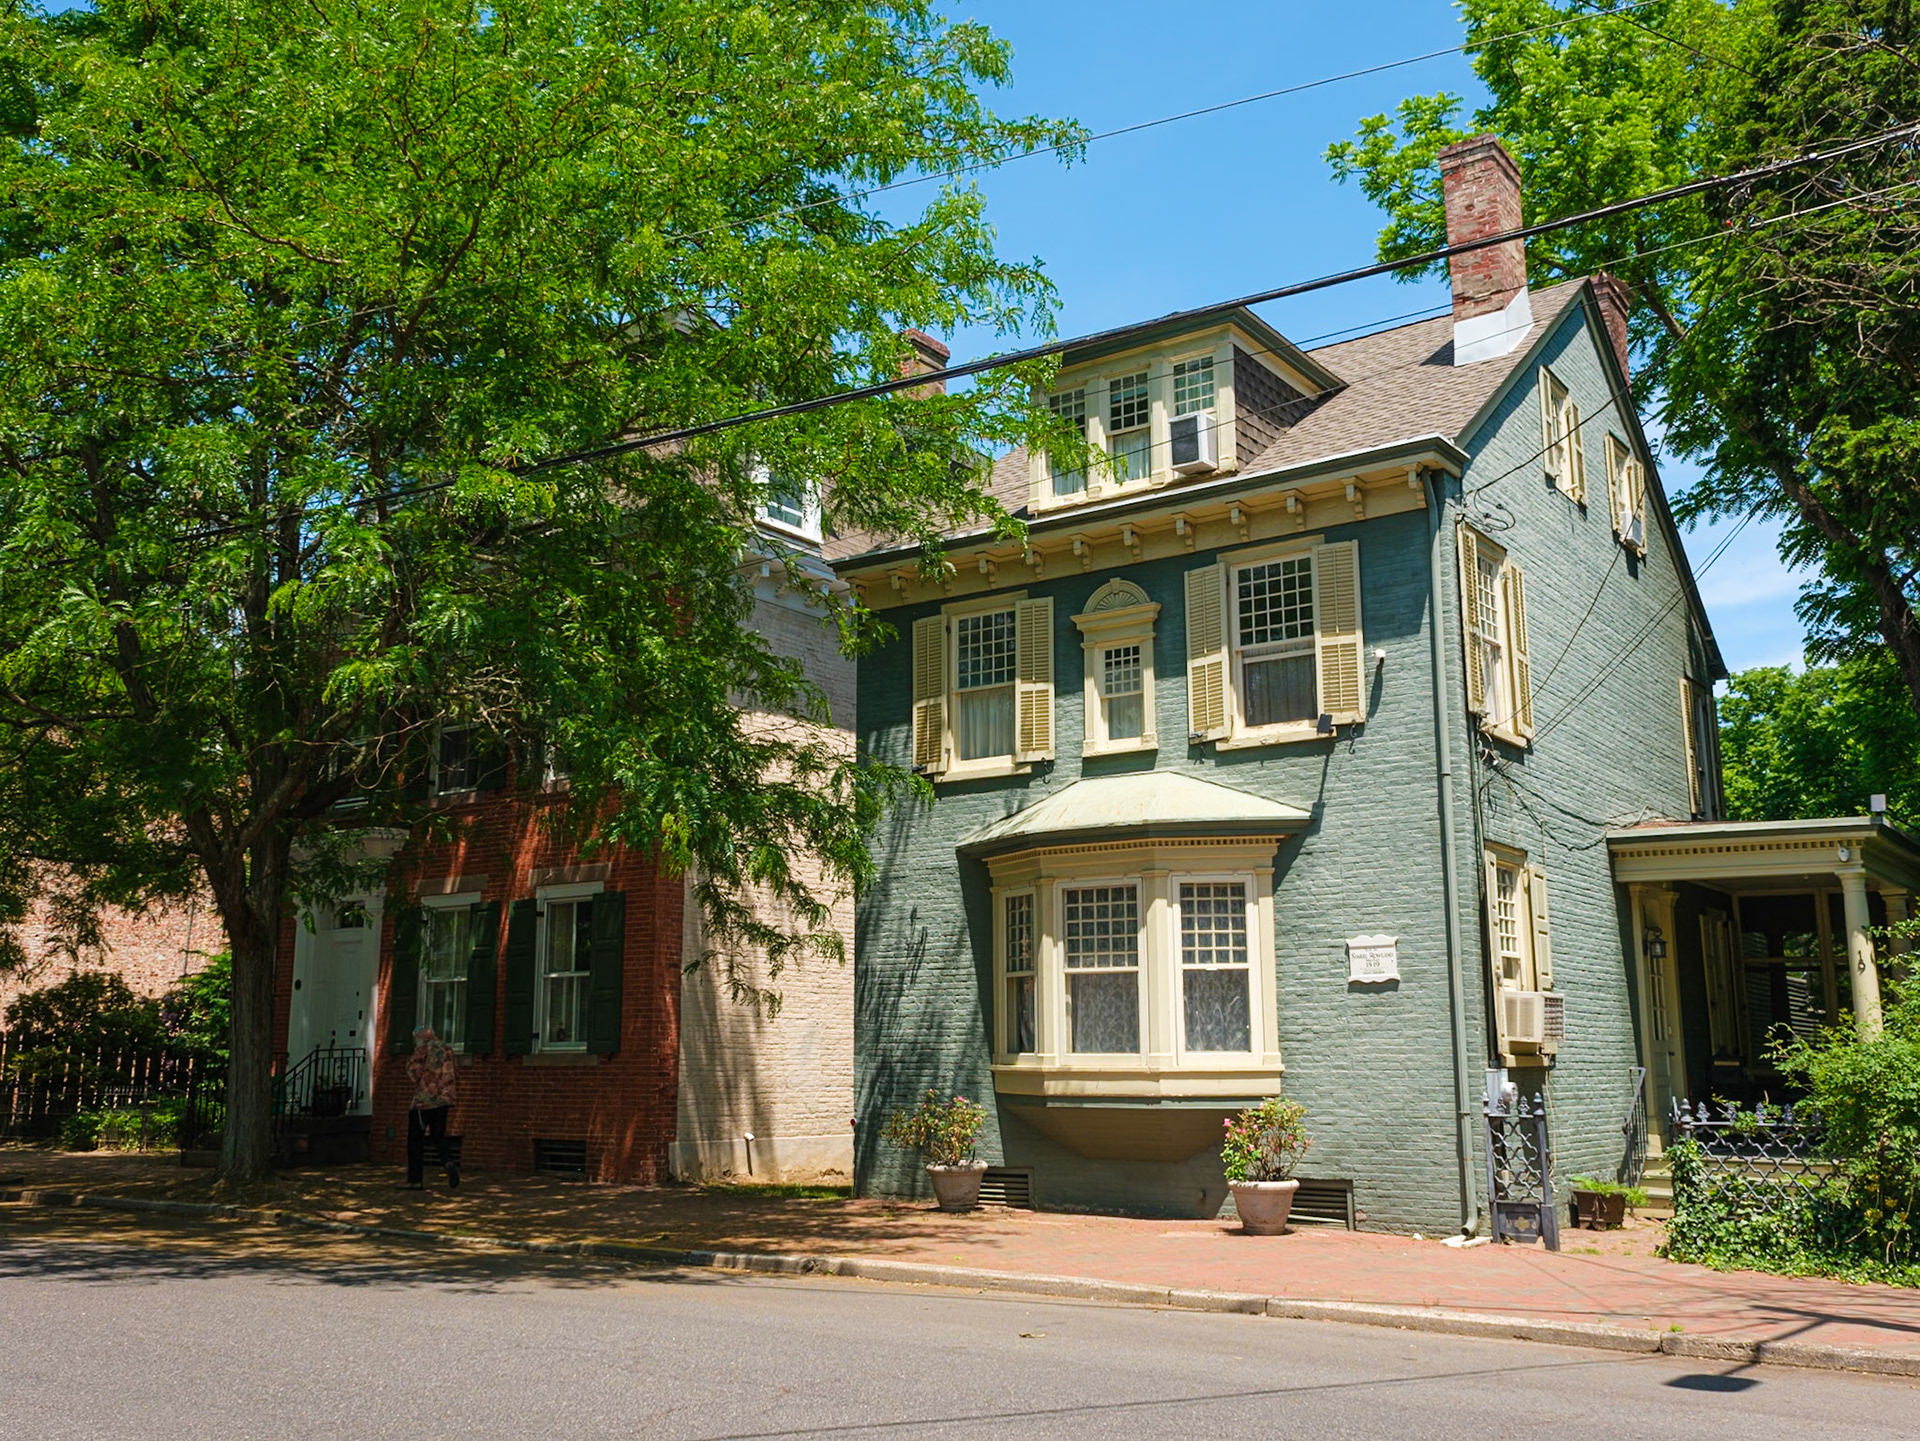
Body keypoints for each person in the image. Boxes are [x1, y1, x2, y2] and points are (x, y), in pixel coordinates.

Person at [404, 1025, 460, 1190]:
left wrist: (410, 1063)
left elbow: (415, 1075)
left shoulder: (422, 1050)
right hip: (444, 1100)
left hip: (424, 1101)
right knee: (439, 1136)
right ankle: (448, 1162)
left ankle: (414, 1180)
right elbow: (455, 1073)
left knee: (415, 1140)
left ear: (421, 1038)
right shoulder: (448, 1050)